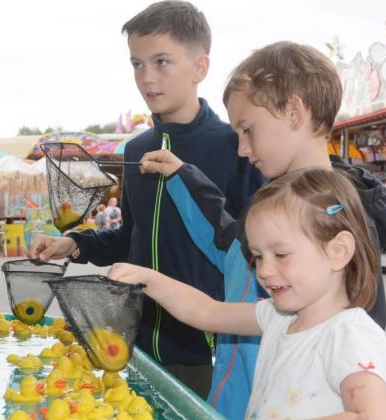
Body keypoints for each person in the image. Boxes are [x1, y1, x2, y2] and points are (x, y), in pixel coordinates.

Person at [138, 41, 386, 420]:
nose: (242, 149)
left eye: (248, 130)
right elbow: (231, 245)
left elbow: (359, 352)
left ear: (294, 113)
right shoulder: (280, 201)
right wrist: (181, 176)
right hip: (245, 415)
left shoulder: (338, 215)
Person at [28, 1, 265, 399]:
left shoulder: (236, 148)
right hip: (134, 343)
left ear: (200, 67)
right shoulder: (137, 148)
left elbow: (251, 250)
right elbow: (131, 238)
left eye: (161, 62)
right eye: (137, 64)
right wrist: (75, 243)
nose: (147, 78)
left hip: (207, 354)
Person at [109, 168, 386, 420]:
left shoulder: (349, 333)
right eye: (258, 257)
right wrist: (149, 279)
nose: (265, 271)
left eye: (281, 255)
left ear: (338, 251)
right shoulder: (278, 317)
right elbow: (206, 312)